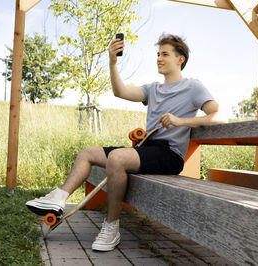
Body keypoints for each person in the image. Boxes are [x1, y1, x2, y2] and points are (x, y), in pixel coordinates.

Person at [26, 33, 228, 252]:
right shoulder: (153, 89)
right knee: (87, 153)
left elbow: (219, 116)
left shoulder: (193, 87)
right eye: (158, 54)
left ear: (180, 59)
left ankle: (111, 227)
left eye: (165, 54)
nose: (159, 58)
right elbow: (120, 91)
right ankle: (59, 199)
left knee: (117, 157)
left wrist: (181, 121)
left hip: (169, 154)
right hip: (146, 149)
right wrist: (113, 62)